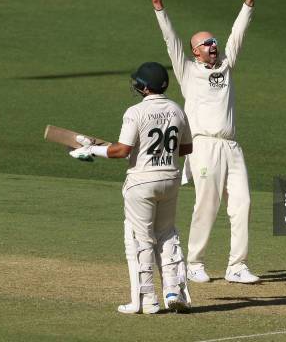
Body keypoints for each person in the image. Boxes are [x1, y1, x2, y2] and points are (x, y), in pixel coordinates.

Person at [149, 0, 260, 284]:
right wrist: (160, 9)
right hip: (204, 146)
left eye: (214, 41)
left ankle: (237, 266)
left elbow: (238, 34)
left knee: (243, 204)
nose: (214, 45)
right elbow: (170, 40)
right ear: (196, 52)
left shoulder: (226, 65)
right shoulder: (187, 70)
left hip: (232, 147)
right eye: (207, 44)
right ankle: (195, 262)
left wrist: (249, 0)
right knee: (206, 205)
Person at [69, 62, 193, 314]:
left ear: (145, 87)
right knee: (167, 233)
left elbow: (121, 150)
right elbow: (187, 148)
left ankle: (146, 301)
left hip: (141, 182)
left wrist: (90, 149)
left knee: (141, 239)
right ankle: (172, 291)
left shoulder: (135, 112)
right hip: (170, 179)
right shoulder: (177, 109)